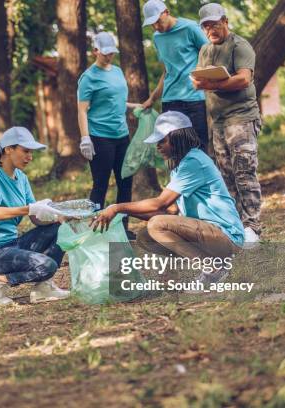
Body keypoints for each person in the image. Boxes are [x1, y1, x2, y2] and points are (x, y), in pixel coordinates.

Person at [91, 111, 244, 284]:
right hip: (210, 235)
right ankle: (171, 278)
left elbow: (160, 203)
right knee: (146, 236)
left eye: (162, 141)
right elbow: (169, 210)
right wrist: (123, 213)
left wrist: (117, 207)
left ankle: (213, 269)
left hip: (226, 237)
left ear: (177, 137)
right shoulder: (181, 166)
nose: (157, 146)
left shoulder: (193, 161)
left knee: (157, 225)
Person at [191, 3, 262, 244]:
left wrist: (214, 85)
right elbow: (199, 78)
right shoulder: (205, 51)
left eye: (214, 23)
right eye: (206, 26)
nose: (211, 29)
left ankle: (253, 227)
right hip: (218, 122)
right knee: (225, 176)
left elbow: (244, 79)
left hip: (241, 119)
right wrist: (200, 82)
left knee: (244, 172)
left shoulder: (239, 46)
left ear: (225, 21)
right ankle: (234, 225)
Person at [0, 127, 70, 307]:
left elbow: (36, 217)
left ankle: (43, 288)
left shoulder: (22, 178)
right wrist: (30, 208)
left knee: (61, 229)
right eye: (25, 151)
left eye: (31, 152)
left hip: (13, 244)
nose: (30, 157)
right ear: (8, 149)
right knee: (47, 266)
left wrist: (59, 216)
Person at [77, 32, 137, 239]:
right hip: (100, 137)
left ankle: (123, 229)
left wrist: (135, 107)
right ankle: (95, 232)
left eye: (112, 52)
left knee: (125, 183)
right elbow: (82, 110)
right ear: (95, 51)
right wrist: (85, 138)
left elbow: (115, 100)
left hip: (121, 135)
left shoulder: (118, 71)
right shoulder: (88, 77)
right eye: (105, 53)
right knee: (100, 185)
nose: (109, 56)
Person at [140, 0, 209, 151]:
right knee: (175, 151)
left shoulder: (190, 28)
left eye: (158, 21)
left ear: (167, 12)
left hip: (194, 100)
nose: (156, 27)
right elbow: (167, 71)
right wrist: (152, 99)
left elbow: (210, 55)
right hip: (170, 102)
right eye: (152, 24)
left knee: (198, 148)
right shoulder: (157, 37)